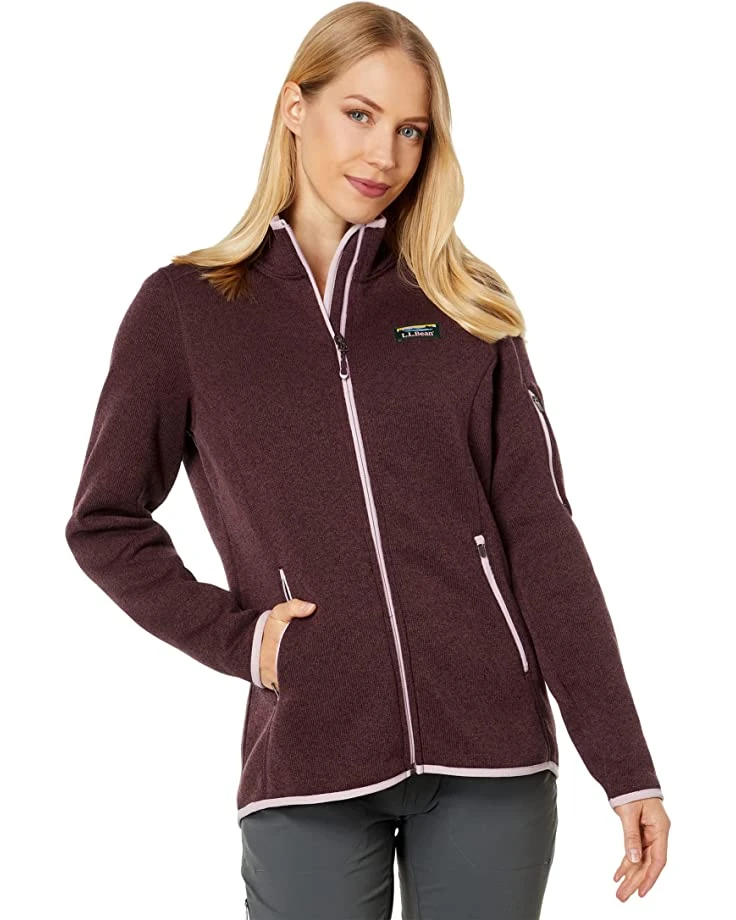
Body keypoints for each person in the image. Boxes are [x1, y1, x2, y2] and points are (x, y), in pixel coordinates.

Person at [65, 2, 670, 917]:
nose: (383, 155)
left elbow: (541, 536)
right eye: (359, 113)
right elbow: (104, 523)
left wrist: (626, 766)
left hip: (492, 749)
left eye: (410, 131)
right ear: (294, 107)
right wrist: (243, 640)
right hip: (308, 753)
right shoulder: (186, 309)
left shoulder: (464, 303)